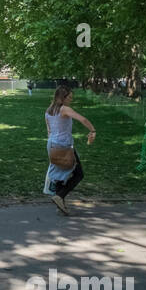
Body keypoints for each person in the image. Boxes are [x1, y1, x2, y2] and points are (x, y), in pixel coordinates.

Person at [44, 85, 96, 215]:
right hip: (64, 146)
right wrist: (93, 130)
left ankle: (60, 204)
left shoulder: (49, 110)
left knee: (60, 176)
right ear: (63, 97)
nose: (71, 100)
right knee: (78, 174)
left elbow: (49, 131)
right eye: (70, 97)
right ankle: (60, 196)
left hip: (52, 145)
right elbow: (82, 119)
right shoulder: (64, 109)